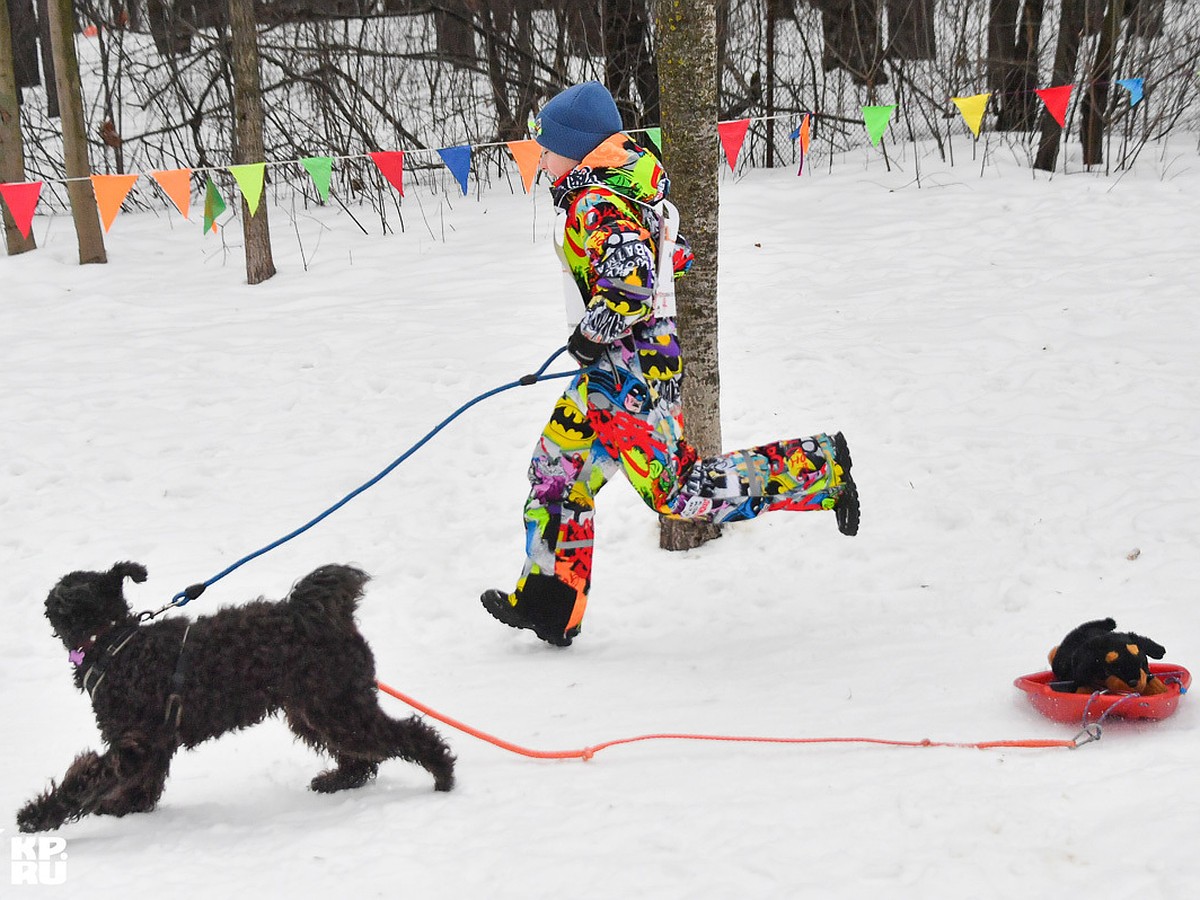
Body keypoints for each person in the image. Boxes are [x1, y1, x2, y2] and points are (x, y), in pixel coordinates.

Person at [481, 81, 859, 647]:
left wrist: (591, 332)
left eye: (549, 144)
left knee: (679, 491)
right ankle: (549, 602)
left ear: (579, 149)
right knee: (556, 475)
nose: (542, 154)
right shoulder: (630, 189)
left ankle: (820, 468)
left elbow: (632, 280)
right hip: (618, 374)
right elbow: (667, 256)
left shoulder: (596, 201)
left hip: (627, 379)